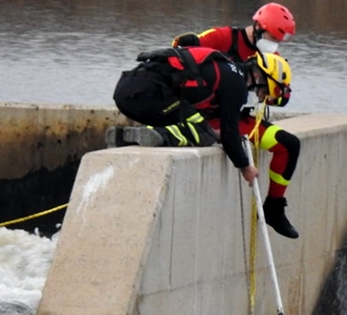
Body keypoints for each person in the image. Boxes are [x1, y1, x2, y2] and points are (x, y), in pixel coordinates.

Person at [107, 47, 300, 239]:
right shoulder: (236, 85)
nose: (260, 98)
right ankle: (154, 135)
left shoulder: (229, 71)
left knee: (288, 144)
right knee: (205, 133)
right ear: (257, 77)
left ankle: (274, 208)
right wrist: (245, 167)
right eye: (263, 92)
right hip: (144, 94)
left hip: (134, 90)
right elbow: (230, 135)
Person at [171, 2, 301, 238]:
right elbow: (180, 50)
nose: (274, 45)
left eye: (278, 41)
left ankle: (274, 207)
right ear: (259, 27)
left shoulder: (270, 55)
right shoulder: (222, 37)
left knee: (289, 145)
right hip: (207, 114)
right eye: (272, 38)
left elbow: (282, 89)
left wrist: (276, 94)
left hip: (238, 118)